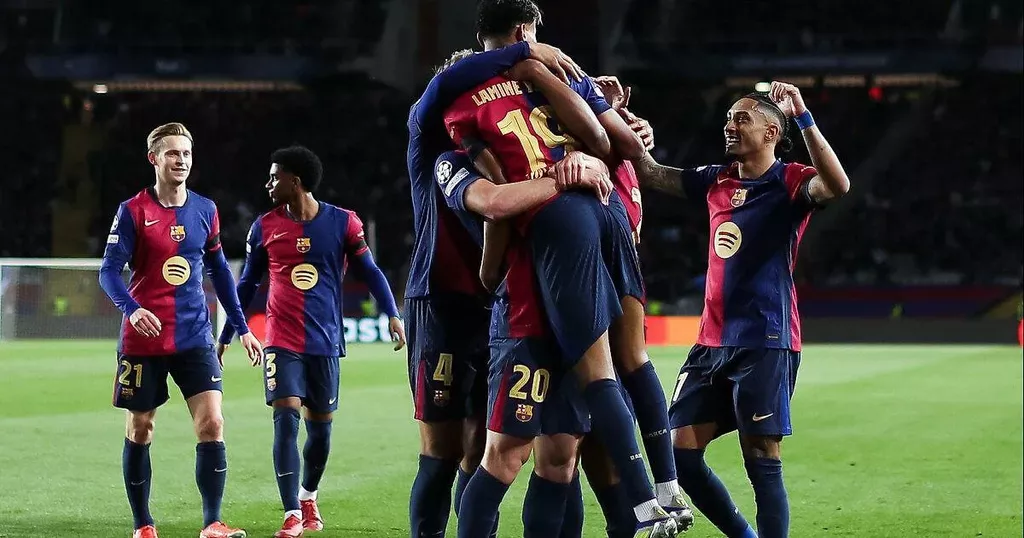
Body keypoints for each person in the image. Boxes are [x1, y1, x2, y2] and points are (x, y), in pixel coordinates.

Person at [443, 2, 679, 536]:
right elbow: (604, 146)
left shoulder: (467, 111)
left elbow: (502, 195)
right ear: (525, 32)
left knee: (555, 455)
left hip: (552, 274)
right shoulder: (563, 87)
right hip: (535, 301)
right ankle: (658, 496)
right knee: (518, 452)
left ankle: (653, 502)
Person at [630, 81, 851, 538]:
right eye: (728, 118)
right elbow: (649, 173)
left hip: (764, 339)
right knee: (680, 453)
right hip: (710, 341)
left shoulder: (789, 181)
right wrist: (623, 124)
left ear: (771, 132)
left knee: (761, 455)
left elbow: (837, 185)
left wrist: (803, 115)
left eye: (742, 118)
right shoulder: (716, 179)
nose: (729, 126)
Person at [404, 31, 583, 538]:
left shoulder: (506, 142)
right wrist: (525, 51)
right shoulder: (430, 133)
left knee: (487, 445)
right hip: (443, 299)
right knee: (441, 450)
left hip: (502, 300)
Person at [216, 145, 406, 538]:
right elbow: (247, 284)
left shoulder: (343, 223)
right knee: (285, 420)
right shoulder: (264, 227)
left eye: (275, 177)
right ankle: (291, 514)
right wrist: (228, 334)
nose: (269, 184)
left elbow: (371, 271)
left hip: (324, 340)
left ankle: (307, 496)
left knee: (320, 433)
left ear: (295, 181)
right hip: (281, 339)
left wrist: (392, 312)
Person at [99, 122, 262, 538]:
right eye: (172, 153)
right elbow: (109, 272)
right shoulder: (133, 211)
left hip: (194, 335)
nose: (181, 160)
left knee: (212, 424)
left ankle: (212, 523)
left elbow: (220, 271)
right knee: (141, 428)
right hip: (144, 339)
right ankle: (143, 524)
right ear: (153, 158)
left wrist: (241, 327)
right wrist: (132, 309)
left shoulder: (205, 209)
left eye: (186, 153)